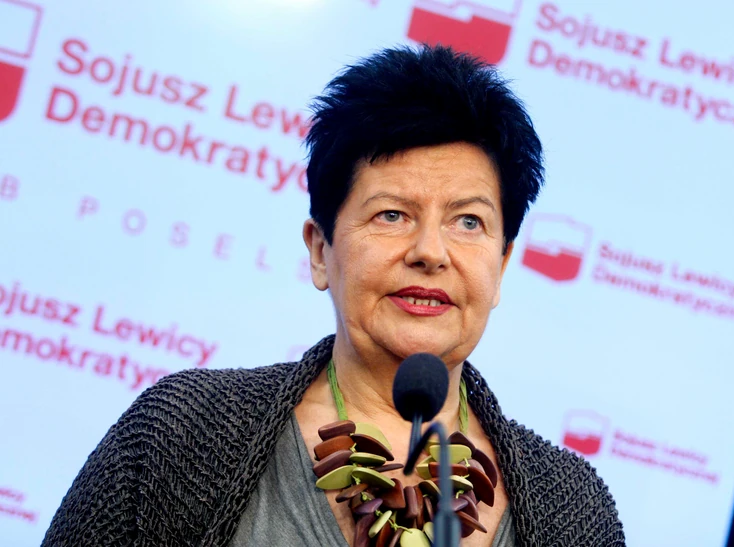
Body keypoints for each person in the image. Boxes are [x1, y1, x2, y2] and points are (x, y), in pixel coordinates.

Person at [42, 45, 625, 547]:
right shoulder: (183, 434)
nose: (431, 251)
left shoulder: (572, 509)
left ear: (501, 265)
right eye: (392, 214)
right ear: (320, 249)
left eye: (468, 222)